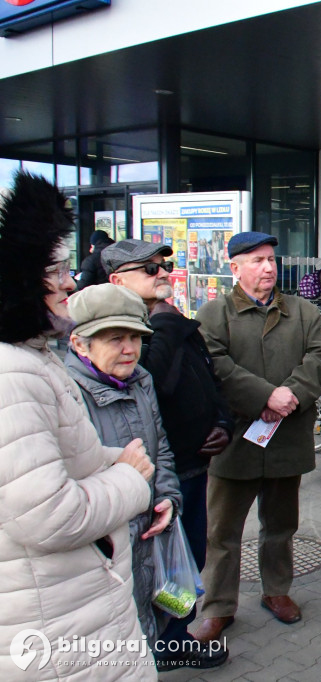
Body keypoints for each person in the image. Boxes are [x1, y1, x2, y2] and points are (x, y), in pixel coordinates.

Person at [0, 170, 157, 679]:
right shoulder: (12, 376)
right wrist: (130, 479)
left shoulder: (31, 358)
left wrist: (114, 463)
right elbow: (49, 515)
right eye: (56, 270)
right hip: (60, 629)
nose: (70, 281)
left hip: (73, 610)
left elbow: (58, 465)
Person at [192, 231, 321, 643]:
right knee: (222, 532)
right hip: (235, 441)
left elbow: (320, 357)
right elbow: (214, 366)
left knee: (281, 525)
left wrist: (289, 396)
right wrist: (264, 395)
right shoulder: (212, 315)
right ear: (234, 268)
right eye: (256, 260)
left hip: (286, 437)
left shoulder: (303, 311)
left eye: (271, 259)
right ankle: (218, 608)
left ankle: (276, 591)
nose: (268, 267)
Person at [104, 238, 233, 671]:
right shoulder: (126, 331)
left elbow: (207, 375)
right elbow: (152, 381)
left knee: (187, 561)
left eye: (164, 266)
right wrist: (169, 324)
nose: (162, 273)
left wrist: (223, 423)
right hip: (152, 478)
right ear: (116, 281)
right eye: (149, 269)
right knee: (151, 570)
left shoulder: (171, 321)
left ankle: (175, 639)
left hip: (192, 470)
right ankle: (151, 645)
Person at [64, 284, 184, 649]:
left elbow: (158, 446)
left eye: (135, 336)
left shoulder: (140, 380)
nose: (130, 349)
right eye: (115, 338)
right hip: (99, 558)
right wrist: (128, 480)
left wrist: (166, 496)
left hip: (145, 540)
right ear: (79, 344)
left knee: (146, 633)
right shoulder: (65, 395)